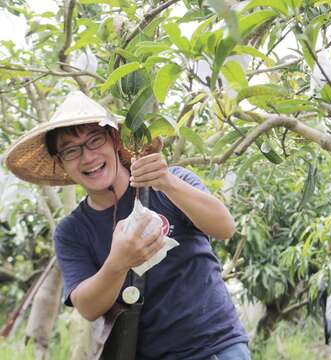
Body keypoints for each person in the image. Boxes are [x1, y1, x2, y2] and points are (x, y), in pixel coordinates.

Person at [5, 91, 250, 360]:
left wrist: (166, 181)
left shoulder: (171, 182)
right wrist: (118, 262)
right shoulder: (71, 231)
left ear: (114, 140)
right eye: (71, 150)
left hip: (216, 348)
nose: (87, 157)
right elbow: (87, 307)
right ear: (60, 161)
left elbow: (224, 228)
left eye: (95, 140)